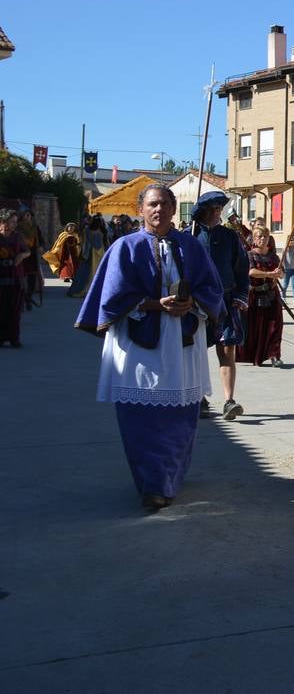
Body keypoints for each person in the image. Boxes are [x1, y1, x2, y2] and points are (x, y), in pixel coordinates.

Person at [75, 183, 224, 512]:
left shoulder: (191, 246)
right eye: (152, 204)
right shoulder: (124, 248)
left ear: (174, 209)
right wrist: (155, 304)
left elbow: (212, 290)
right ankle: (152, 483)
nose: (158, 210)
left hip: (182, 345)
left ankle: (169, 477)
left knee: (179, 416)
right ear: (140, 209)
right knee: (142, 418)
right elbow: (112, 297)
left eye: (165, 204)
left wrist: (192, 302)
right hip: (138, 349)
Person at [194, 191, 250, 420]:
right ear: (203, 212)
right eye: (214, 209)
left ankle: (229, 401)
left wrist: (240, 295)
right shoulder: (190, 238)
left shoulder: (229, 236)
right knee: (196, 354)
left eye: (219, 208)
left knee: (227, 351)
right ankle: (199, 398)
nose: (218, 213)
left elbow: (241, 268)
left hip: (226, 302)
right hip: (197, 304)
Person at [238, 228, 284, 368]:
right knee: (256, 328)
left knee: (275, 326)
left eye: (265, 236)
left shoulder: (274, 257)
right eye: (259, 236)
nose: (263, 239)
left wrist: (278, 273)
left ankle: (274, 355)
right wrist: (270, 274)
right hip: (255, 296)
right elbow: (251, 272)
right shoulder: (250, 255)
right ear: (254, 238)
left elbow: (281, 274)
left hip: (272, 295)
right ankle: (256, 355)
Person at [0, 209, 31, 346]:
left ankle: (14, 337)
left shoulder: (18, 236)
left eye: (15, 222)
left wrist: (21, 255)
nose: (14, 225)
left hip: (15, 275)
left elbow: (27, 251)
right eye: (11, 222)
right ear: (2, 222)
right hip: (1, 274)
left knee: (14, 309)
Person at [68, 215, 107, 298]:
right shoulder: (102, 230)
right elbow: (105, 242)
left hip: (90, 252)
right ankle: (96, 291)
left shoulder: (88, 230)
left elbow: (85, 242)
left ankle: (83, 290)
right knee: (95, 272)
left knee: (86, 272)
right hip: (99, 253)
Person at [17, 208, 45, 309]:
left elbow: (41, 239)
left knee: (32, 278)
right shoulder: (17, 228)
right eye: (26, 215)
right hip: (21, 255)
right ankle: (22, 299)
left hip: (32, 255)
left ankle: (28, 297)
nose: (28, 217)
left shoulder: (35, 227)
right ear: (22, 216)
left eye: (29, 215)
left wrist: (41, 246)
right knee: (20, 278)